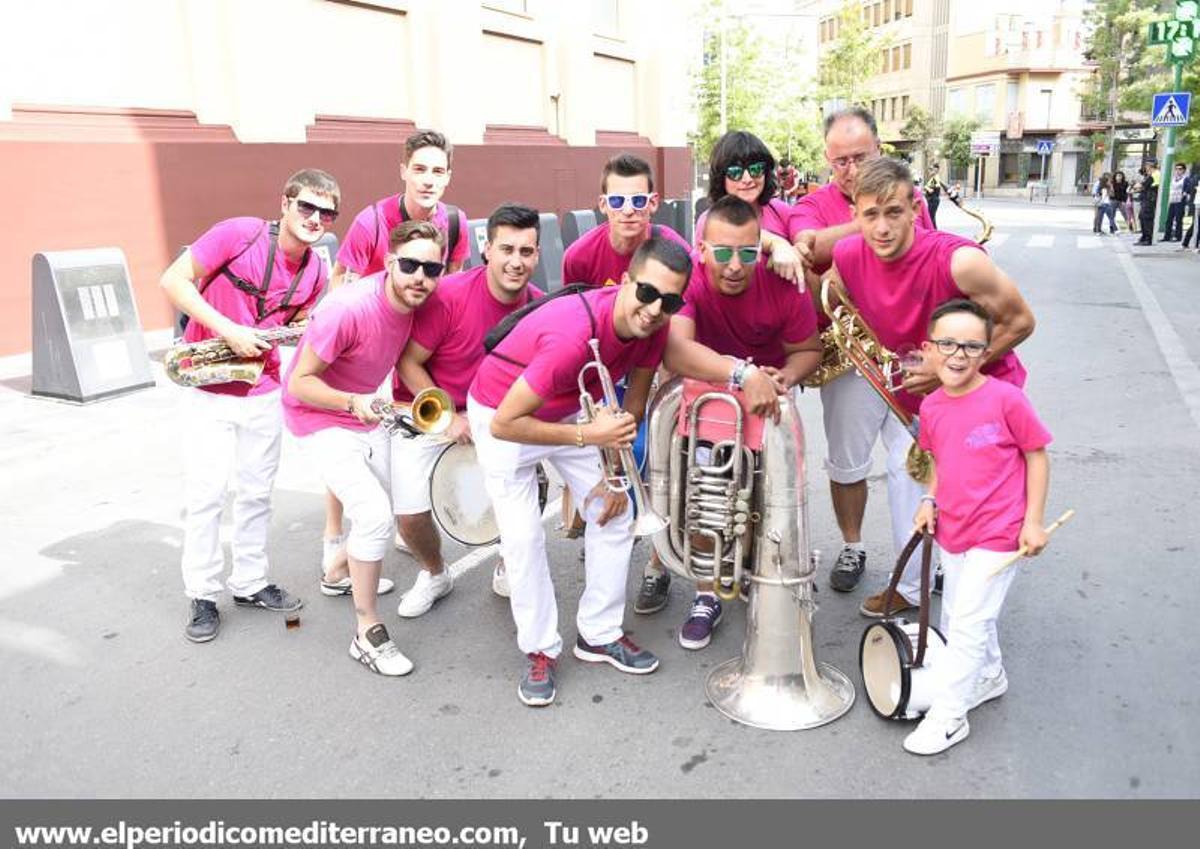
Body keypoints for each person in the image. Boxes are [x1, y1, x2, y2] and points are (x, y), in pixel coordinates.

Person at [467, 237, 780, 707]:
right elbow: (505, 423)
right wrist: (588, 438)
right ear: (626, 282)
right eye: (648, 294)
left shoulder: (652, 327)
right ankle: (539, 649)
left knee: (615, 512)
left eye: (670, 301)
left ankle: (598, 634)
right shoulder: (573, 336)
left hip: (573, 411)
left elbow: (628, 406)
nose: (655, 310)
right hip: (502, 414)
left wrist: (613, 473)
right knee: (524, 540)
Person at [825, 157, 1035, 617]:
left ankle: (971, 630)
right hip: (918, 394)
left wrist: (947, 370)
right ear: (854, 216)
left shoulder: (960, 260)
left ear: (916, 209)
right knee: (911, 479)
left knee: (976, 516)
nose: (882, 228)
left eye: (894, 212)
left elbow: (1020, 321)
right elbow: (836, 296)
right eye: (870, 215)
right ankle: (917, 592)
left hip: (983, 395)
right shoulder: (846, 256)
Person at [161, 168, 337, 643]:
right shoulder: (240, 233)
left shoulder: (318, 269)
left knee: (258, 492)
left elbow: (297, 323)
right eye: (306, 206)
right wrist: (228, 329)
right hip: (209, 387)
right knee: (207, 495)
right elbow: (174, 281)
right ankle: (201, 593)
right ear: (285, 203)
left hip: (263, 391)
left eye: (326, 212)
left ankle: (250, 582)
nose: (315, 218)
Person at [282, 221, 445, 676]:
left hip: (366, 409)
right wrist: (354, 402)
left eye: (431, 269)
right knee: (373, 515)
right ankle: (367, 631)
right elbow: (299, 382)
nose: (420, 277)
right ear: (390, 262)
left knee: (399, 503)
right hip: (319, 416)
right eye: (409, 265)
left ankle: (337, 570)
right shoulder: (347, 309)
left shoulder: (419, 302)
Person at [661, 196, 822, 649]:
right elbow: (675, 350)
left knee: (767, 500)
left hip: (768, 409)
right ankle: (707, 593)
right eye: (724, 252)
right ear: (702, 249)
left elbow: (808, 350)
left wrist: (786, 376)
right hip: (708, 404)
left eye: (748, 253)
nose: (735, 265)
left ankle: (761, 571)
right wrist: (742, 372)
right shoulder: (688, 279)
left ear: (761, 248)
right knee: (704, 497)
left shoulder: (783, 282)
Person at [789, 107, 933, 593]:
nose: (851, 170)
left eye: (861, 157)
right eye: (840, 161)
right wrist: (878, 213)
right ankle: (853, 547)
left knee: (913, 458)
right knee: (847, 461)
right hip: (849, 354)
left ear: (880, 150)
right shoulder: (811, 204)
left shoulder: (912, 198)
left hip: (910, 349)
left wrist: (864, 219)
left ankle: (915, 566)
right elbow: (805, 247)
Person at [902, 299, 1052, 755]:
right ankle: (990, 675)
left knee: (967, 621)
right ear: (928, 349)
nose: (958, 354)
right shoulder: (931, 407)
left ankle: (949, 718)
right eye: (947, 343)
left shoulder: (1007, 399)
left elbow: (1037, 455)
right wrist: (929, 498)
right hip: (954, 528)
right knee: (958, 616)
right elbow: (937, 461)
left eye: (971, 346)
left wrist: (1033, 522)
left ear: (986, 352)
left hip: (1000, 532)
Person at [321, 130, 470, 577]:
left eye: (437, 171)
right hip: (367, 339)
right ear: (403, 170)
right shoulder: (372, 221)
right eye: (419, 169)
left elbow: (451, 287)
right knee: (348, 439)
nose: (427, 179)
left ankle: (398, 524)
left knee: (392, 440)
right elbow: (340, 282)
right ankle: (333, 537)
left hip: (413, 336)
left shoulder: (456, 223)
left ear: (448, 177)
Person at [391, 204, 546, 614]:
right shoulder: (450, 295)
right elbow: (408, 362)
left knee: (531, 478)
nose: (516, 261)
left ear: (537, 255)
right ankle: (434, 572)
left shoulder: (542, 307)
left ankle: (505, 559)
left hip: (499, 417)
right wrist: (449, 417)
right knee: (408, 514)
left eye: (526, 252)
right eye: (507, 249)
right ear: (487, 249)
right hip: (434, 406)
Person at [692, 130, 805, 286]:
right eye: (735, 173)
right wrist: (777, 244)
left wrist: (801, 250)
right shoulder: (709, 220)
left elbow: (805, 246)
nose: (747, 179)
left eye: (755, 170)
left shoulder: (781, 211)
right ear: (721, 178)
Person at [562, 153, 689, 289]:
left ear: (652, 203)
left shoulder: (679, 251)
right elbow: (573, 307)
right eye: (617, 201)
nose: (628, 211)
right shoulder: (578, 258)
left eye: (638, 201)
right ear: (603, 205)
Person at [1136, 161, 1159, 246]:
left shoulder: (1155, 174)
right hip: (1146, 198)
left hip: (1150, 199)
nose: (1145, 167)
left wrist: (1140, 186)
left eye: (1147, 166)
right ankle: (1144, 236)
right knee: (1142, 217)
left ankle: (1148, 238)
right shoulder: (1150, 175)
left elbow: (1145, 185)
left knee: (1146, 218)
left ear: (1150, 166)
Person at [1164, 162, 1188, 242]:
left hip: (1180, 201)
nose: (1178, 171)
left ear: (1184, 170)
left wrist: (1184, 194)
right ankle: (1167, 236)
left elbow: (1187, 189)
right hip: (1172, 201)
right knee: (1169, 219)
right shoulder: (1173, 178)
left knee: (1178, 219)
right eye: (1177, 169)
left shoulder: (1185, 179)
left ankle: (1178, 237)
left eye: (1180, 169)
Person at [1180, 166, 1198, 250]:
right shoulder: (1196, 178)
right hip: (1195, 204)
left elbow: (1188, 190)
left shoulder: (1193, 178)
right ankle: (1192, 244)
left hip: (1193, 203)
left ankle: (1187, 243)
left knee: (1194, 224)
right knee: (1195, 224)